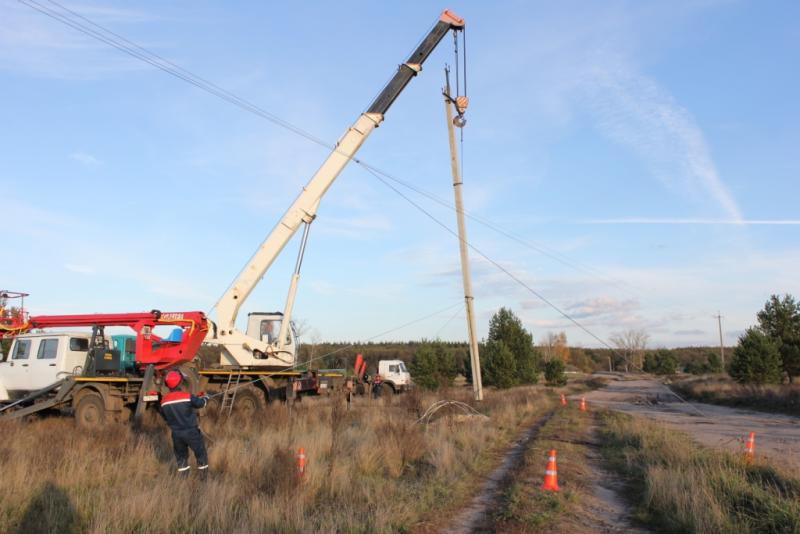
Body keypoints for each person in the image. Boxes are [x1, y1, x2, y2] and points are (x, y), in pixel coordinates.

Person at [160, 370, 209, 478]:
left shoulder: (164, 401)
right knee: (201, 454)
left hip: (176, 434)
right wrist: (205, 397)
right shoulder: (187, 396)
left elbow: (165, 417)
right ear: (180, 382)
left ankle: (183, 481)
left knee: (181, 458)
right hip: (191, 432)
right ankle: (203, 480)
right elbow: (201, 404)